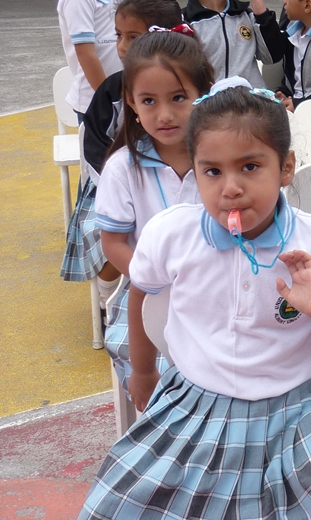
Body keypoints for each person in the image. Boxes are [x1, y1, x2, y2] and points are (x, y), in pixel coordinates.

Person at [79, 79, 311, 520]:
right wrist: (144, 371)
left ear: (285, 168)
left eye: (250, 167)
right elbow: (141, 294)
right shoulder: (172, 232)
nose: (231, 187)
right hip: (197, 405)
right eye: (212, 171)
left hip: (305, 406)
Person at [93, 28, 215, 399]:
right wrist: (153, 277)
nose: (164, 115)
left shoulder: (221, 159)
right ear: (131, 101)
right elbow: (113, 243)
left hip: (217, 289)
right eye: (148, 101)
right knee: (168, 374)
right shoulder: (122, 168)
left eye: (178, 97)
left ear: (204, 93)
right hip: (146, 297)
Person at [62, 0, 185, 294]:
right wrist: (118, 183)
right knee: (113, 235)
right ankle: (107, 292)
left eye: (133, 37)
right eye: (119, 35)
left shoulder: (192, 84)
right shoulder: (111, 91)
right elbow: (93, 148)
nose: (122, 46)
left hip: (177, 182)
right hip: (111, 184)